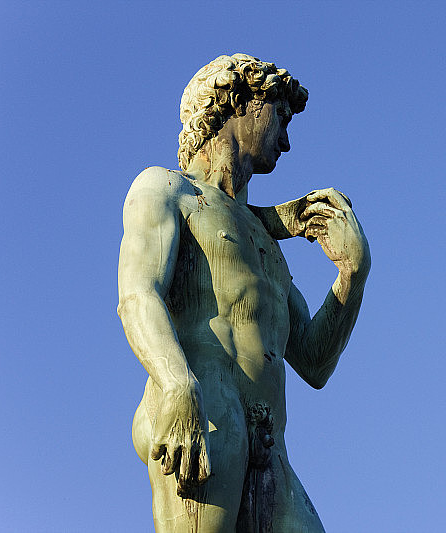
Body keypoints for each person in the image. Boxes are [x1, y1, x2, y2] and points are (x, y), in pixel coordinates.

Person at [117, 53, 370, 532]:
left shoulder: (262, 237)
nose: (288, 140)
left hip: (269, 440)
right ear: (239, 101)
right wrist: (176, 384)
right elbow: (137, 293)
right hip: (204, 406)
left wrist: (352, 276)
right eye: (280, 115)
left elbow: (314, 361)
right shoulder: (165, 189)